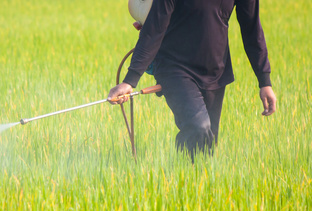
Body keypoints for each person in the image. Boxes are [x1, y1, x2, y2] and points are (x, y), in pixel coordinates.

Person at [108, 0, 277, 161]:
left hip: (216, 70)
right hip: (174, 67)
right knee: (199, 127)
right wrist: (129, 81)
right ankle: (184, 173)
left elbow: (252, 29)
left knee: (207, 144)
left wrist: (265, 81)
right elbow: (154, 29)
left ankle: (188, 182)